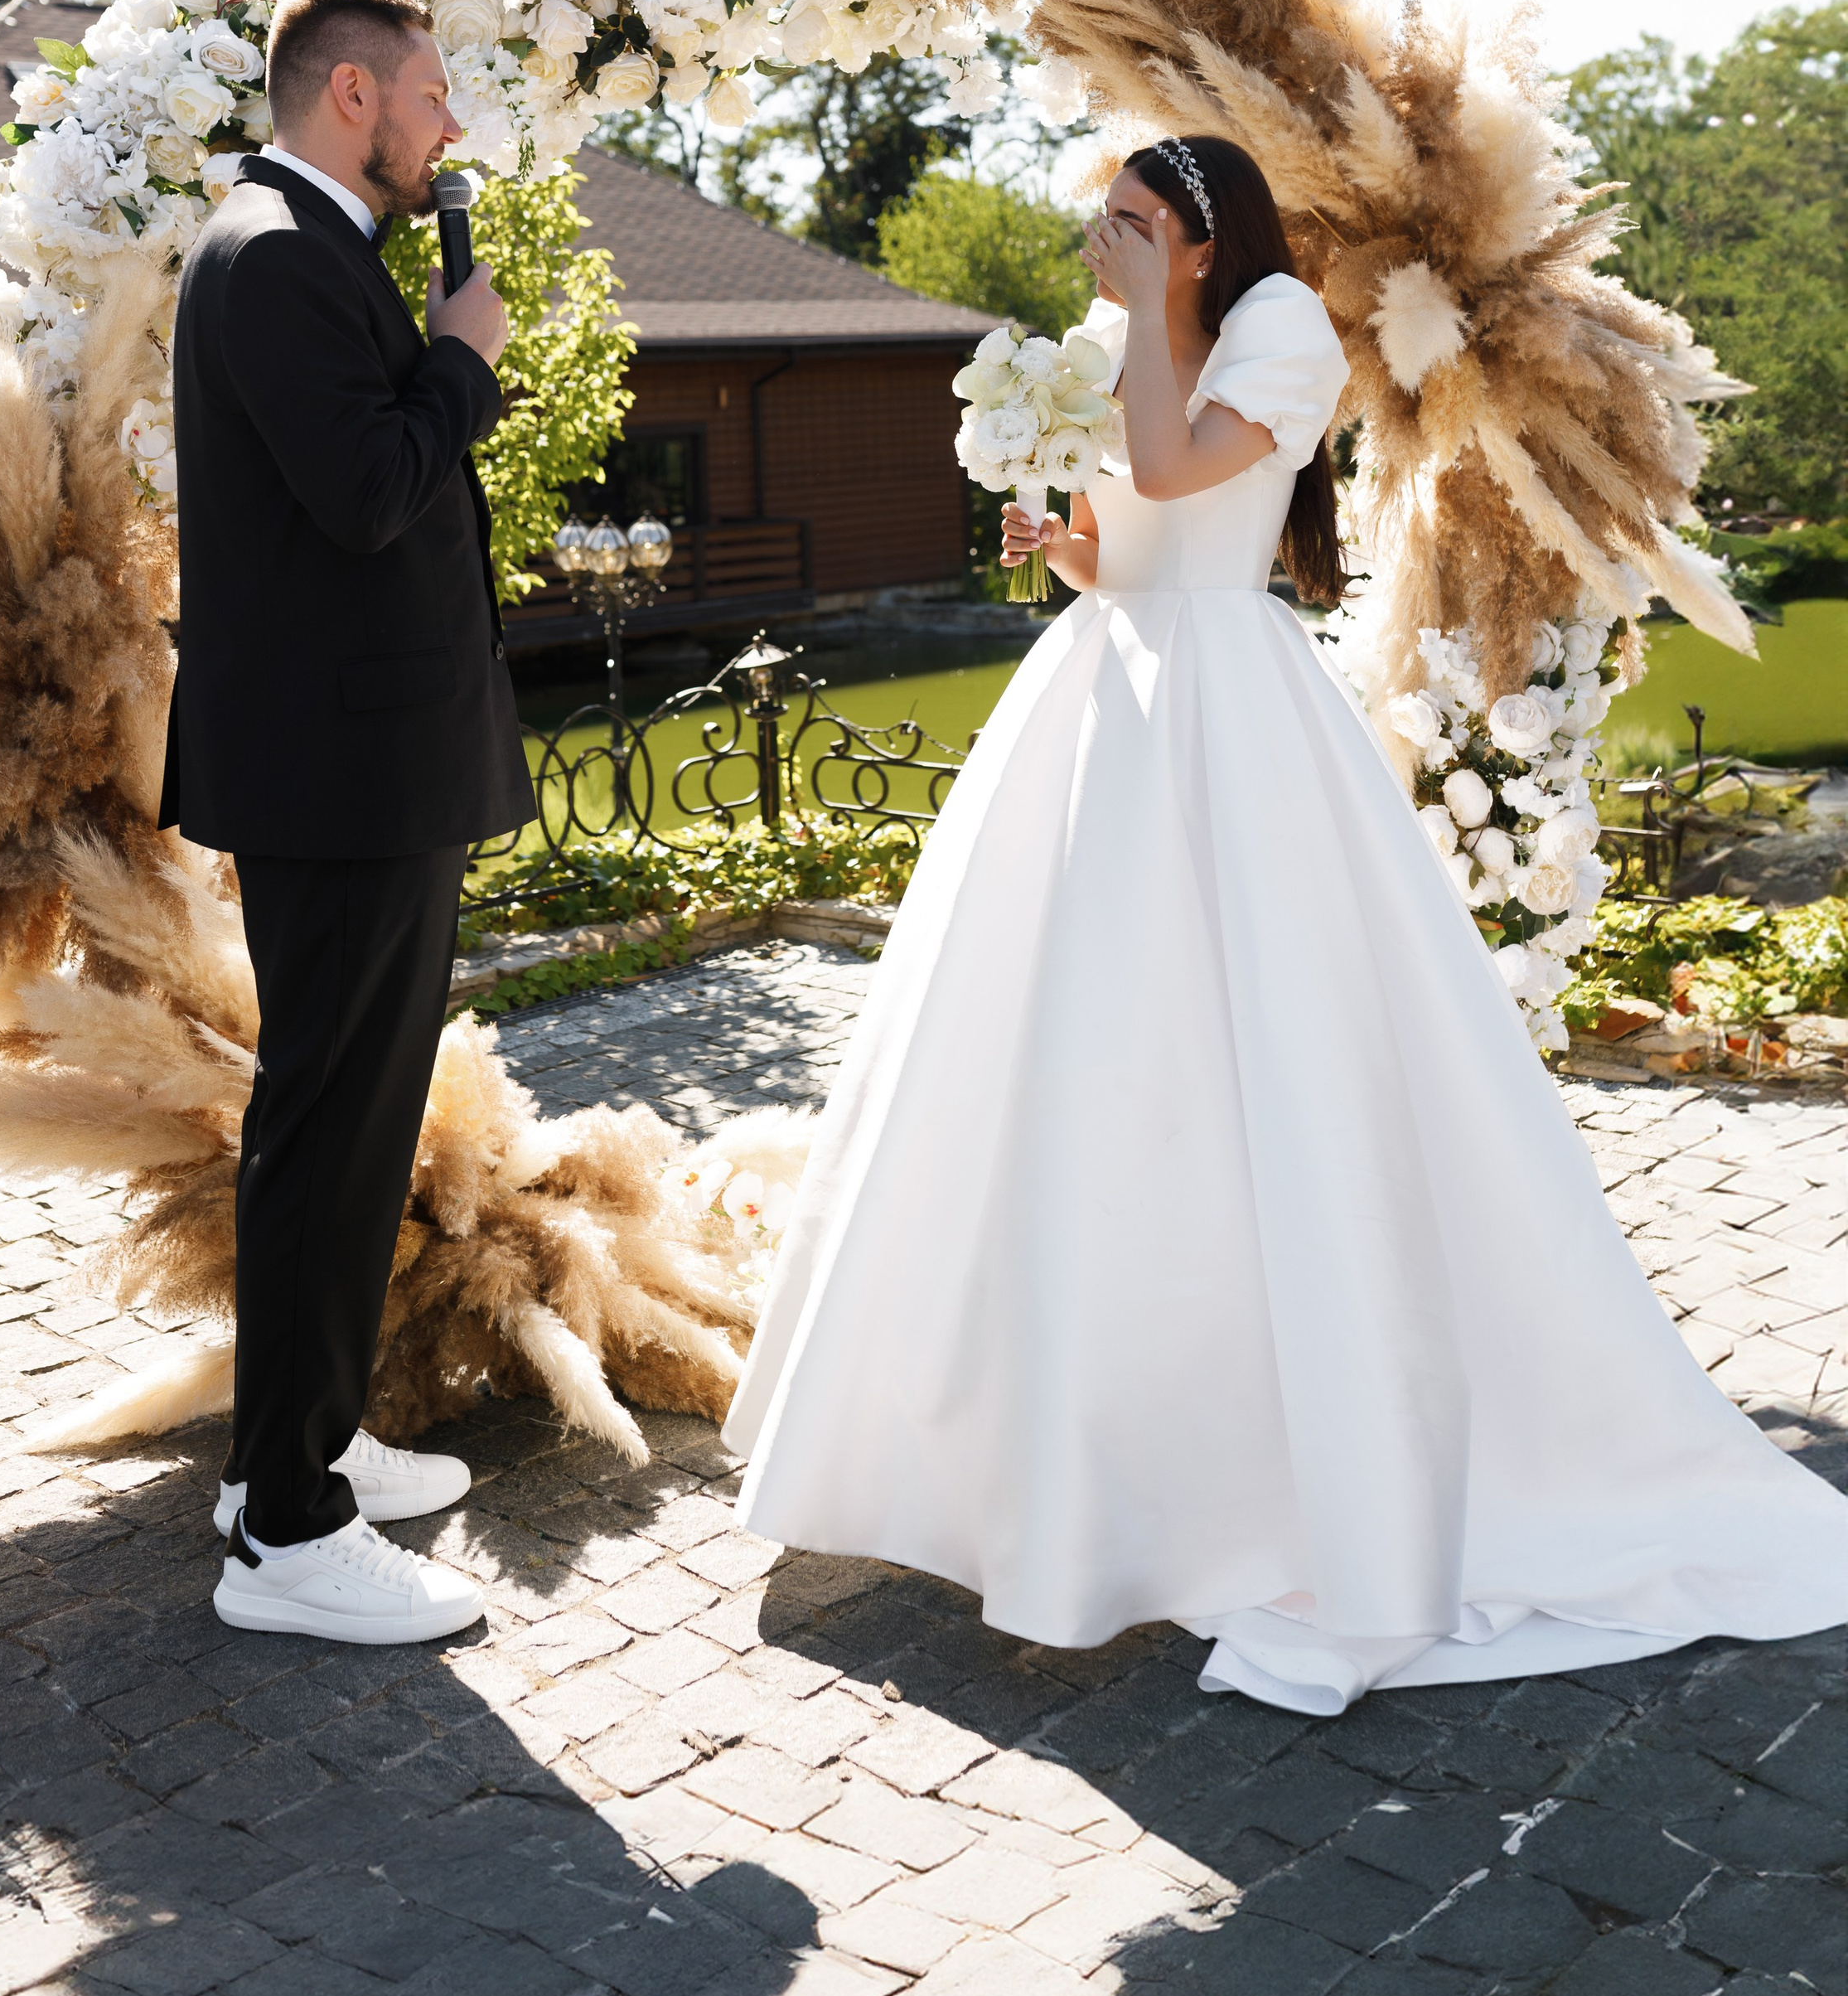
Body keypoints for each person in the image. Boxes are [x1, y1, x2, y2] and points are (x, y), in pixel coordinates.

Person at [723, 130, 1848, 1714]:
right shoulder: (1137, 337)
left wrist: (1131, 359)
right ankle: (1033, 1447)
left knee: (1261, 1044)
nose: (1099, 242)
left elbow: (1189, 479)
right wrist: (1063, 546)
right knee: (1066, 1054)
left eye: (1127, 221)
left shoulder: (1277, 332)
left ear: (1196, 233)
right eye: (1100, 220)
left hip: (1231, 715)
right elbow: (1134, 537)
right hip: (1107, 699)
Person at [161, 0, 535, 1645]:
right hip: (341, 772)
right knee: (325, 1128)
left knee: (349, 1122)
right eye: (434, 92)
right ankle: (288, 1543)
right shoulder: (273, 259)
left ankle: (286, 1458)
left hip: (362, 761)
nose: (452, 124)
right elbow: (372, 492)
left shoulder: (310, 255)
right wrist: (460, 364)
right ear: (355, 101)